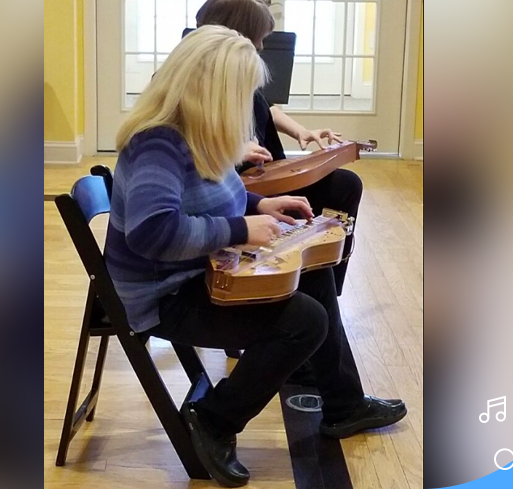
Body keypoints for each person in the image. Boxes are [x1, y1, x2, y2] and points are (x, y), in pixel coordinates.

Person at [104, 26, 406, 488]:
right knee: (303, 320)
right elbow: (153, 232)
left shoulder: (193, 133)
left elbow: (209, 196)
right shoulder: (158, 143)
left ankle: (344, 406)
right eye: (242, 92)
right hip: (165, 296)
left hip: (195, 274)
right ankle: (214, 420)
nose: (249, 105)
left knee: (314, 275)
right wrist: (242, 228)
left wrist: (258, 206)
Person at [196, 0, 364, 298]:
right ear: (237, 34)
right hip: (234, 186)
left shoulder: (239, 76)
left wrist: (303, 131)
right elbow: (192, 154)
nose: (261, 47)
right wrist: (234, 148)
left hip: (260, 179)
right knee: (339, 189)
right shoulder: (196, 86)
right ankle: (309, 279)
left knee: (345, 184)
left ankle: (324, 275)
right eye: (259, 38)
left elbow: (267, 107)